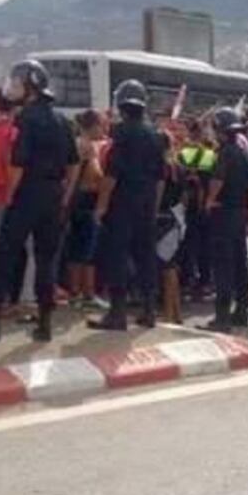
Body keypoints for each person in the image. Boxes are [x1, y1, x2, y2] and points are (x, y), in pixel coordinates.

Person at [0, 60, 78, 342]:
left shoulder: (26, 118)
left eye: (17, 83)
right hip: (53, 195)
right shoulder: (61, 120)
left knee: (3, 254)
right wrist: (65, 195)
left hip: (28, 193)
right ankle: (45, 323)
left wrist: (11, 196)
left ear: (30, 87)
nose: (12, 88)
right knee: (46, 259)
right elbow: (74, 163)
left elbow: (18, 163)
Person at [88, 80, 166, 330]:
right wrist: (154, 207)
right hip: (147, 202)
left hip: (122, 202)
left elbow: (112, 174)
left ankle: (117, 313)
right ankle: (149, 311)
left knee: (117, 255)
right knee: (146, 257)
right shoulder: (155, 135)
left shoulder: (121, 133)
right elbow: (160, 177)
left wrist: (101, 206)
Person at [199, 108, 248, 333]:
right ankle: (241, 311)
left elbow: (217, 178)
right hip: (240, 214)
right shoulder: (244, 153)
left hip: (223, 213)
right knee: (240, 263)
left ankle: (222, 317)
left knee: (223, 265)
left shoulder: (224, 153)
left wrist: (209, 200)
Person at [67, 109, 106, 310]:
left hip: (75, 202)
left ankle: (75, 292)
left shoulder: (76, 143)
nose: (104, 128)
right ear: (92, 125)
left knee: (76, 249)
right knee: (87, 250)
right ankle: (87, 293)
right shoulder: (87, 146)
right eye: (101, 124)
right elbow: (95, 176)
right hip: (86, 201)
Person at [177, 119, 216, 300]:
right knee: (199, 246)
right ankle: (200, 281)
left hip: (194, 207)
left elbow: (200, 182)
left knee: (194, 246)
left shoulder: (194, 152)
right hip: (196, 206)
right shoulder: (203, 152)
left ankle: (197, 281)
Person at [156, 132, 186, 324]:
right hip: (176, 216)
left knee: (166, 267)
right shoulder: (179, 166)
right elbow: (184, 196)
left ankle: (168, 312)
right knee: (171, 264)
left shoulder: (163, 166)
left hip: (162, 216)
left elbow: (158, 190)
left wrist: (152, 212)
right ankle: (175, 312)